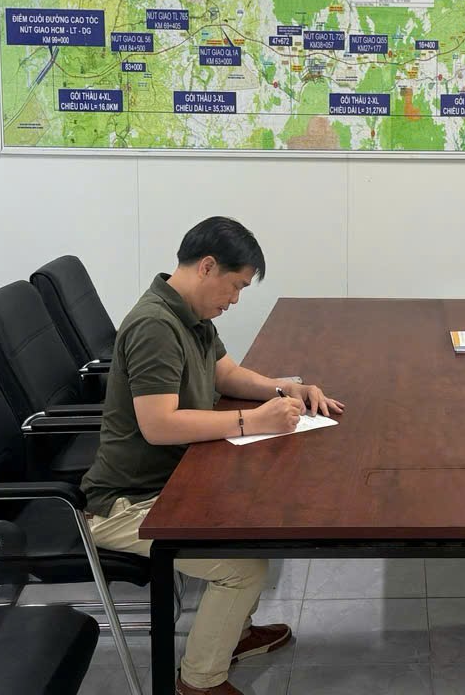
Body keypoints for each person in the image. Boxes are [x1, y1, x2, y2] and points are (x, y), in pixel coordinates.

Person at [81, 216, 345, 695]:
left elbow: (225, 375)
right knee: (241, 567)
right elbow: (158, 425)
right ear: (207, 267)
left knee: (256, 519)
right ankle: (199, 683)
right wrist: (253, 421)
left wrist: (286, 386)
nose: (236, 300)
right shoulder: (154, 326)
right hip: (129, 503)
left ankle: (234, 637)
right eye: (236, 286)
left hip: (176, 478)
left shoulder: (190, 315)